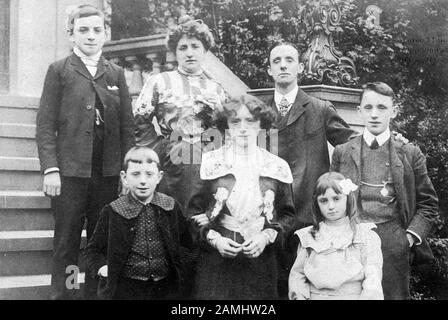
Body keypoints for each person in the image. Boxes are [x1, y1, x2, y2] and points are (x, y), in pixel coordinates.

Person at [35, 4, 135, 299]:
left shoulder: (115, 73)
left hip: (106, 175)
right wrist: (51, 169)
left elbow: (127, 128)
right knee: (66, 243)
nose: (90, 36)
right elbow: (45, 126)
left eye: (96, 30)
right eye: (83, 30)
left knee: (99, 242)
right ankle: (65, 294)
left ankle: (94, 295)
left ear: (105, 34)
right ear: (71, 34)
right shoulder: (59, 71)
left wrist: (125, 172)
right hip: (70, 175)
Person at [330, 82, 439, 299]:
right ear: (359, 111)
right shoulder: (342, 152)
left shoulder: (409, 153)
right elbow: (332, 197)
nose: (374, 114)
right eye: (368, 108)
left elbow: (429, 205)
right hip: (351, 240)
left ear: (394, 111)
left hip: (392, 242)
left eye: (381, 108)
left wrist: (406, 238)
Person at [266, 41, 358, 297]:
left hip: (310, 216)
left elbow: (352, 144)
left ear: (299, 67)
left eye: (289, 60)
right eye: (277, 61)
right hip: (270, 217)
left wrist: (386, 138)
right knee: (273, 288)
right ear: (270, 70)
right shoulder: (259, 113)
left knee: (310, 287)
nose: (283, 65)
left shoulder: (320, 108)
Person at [187, 95, 296, 299]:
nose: (243, 128)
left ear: (260, 125)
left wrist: (265, 237)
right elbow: (193, 214)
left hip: (260, 260)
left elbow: (287, 215)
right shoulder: (210, 162)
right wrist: (216, 240)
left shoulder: (276, 165)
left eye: (250, 121)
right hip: (218, 262)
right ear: (226, 125)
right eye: (236, 121)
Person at [134, 16, 227, 210]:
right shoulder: (159, 81)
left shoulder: (216, 88)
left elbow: (224, 127)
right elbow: (139, 120)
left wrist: (212, 147)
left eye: (195, 46)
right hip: (171, 152)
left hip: (208, 151)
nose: (189, 53)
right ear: (175, 52)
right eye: (183, 48)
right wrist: (156, 148)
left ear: (205, 51)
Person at [85, 146, 193, 300]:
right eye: (135, 174)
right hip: (127, 289)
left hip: (165, 289)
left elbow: (187, 244)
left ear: (159, 177)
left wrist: (181, 273)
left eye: (149, 174)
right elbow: (92, 250)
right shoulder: (113, 211)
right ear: (124, 177)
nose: (143, 181)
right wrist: (102, 268)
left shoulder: (170, 206)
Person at [289, 172, 384, 300]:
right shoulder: (309, 236)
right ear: (317, 203)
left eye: (336, 199)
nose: (331, 206)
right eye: (324, 201)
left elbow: (373, 279)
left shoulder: (365, 235)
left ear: (348, 199)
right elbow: (297, 276)